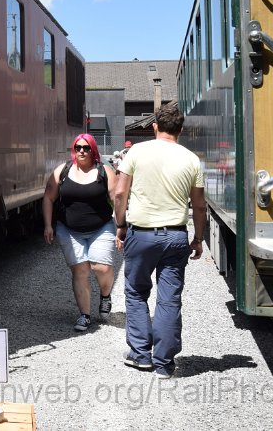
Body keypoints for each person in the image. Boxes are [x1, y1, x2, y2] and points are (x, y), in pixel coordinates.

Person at [113, 103, 206, 379]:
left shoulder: (137, 152)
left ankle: (141, 355)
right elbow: (199, 206)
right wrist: (198, 238)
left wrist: (120, 225)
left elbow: (120, 193)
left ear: (154, 126)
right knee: (169, 299)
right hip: (176, 235)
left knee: (136, 292)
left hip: (141, 234)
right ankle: (164, 364)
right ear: (181, 129)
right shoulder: (191, 159)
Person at [42, 133, 117, 332]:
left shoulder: (105, 171)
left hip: (101, 227)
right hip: (69, 229)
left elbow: (116, 199)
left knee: (101, 267)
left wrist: (122, 226)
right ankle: (84, 315)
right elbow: (48, 197)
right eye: (78, 148)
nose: (82, 151)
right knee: (80, 270)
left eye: (86, 148)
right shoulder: (63, 170)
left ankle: (105, 295)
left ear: (93, 150)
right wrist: (48, 225)